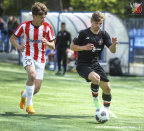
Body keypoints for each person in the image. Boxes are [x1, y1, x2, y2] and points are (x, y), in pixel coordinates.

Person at [70, 11, 119, 118]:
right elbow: (72, 46)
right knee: (95, 78)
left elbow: (112, 50)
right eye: (96, 23)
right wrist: (84, 47)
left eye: (100, 23)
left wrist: (114, 44)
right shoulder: (83, 33)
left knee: (107, 89)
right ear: (91, 21)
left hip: (95, 64)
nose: (98, 26)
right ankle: (96, 101)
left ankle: (106, 110)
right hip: (82, 64)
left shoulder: (104, 34)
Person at [10, 2, 55, 114]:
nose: (43, 20)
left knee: (37, 88)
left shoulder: (47, 28)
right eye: (41, 17)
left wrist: (47, 43)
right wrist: (19, 47)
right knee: (32, 75)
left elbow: (53, 46)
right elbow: (12, 38)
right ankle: (29, 105)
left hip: (41, 58)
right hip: (27, 54)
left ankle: (24, 94)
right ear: (34, 16)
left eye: (44, 17)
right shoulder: (24, 26)